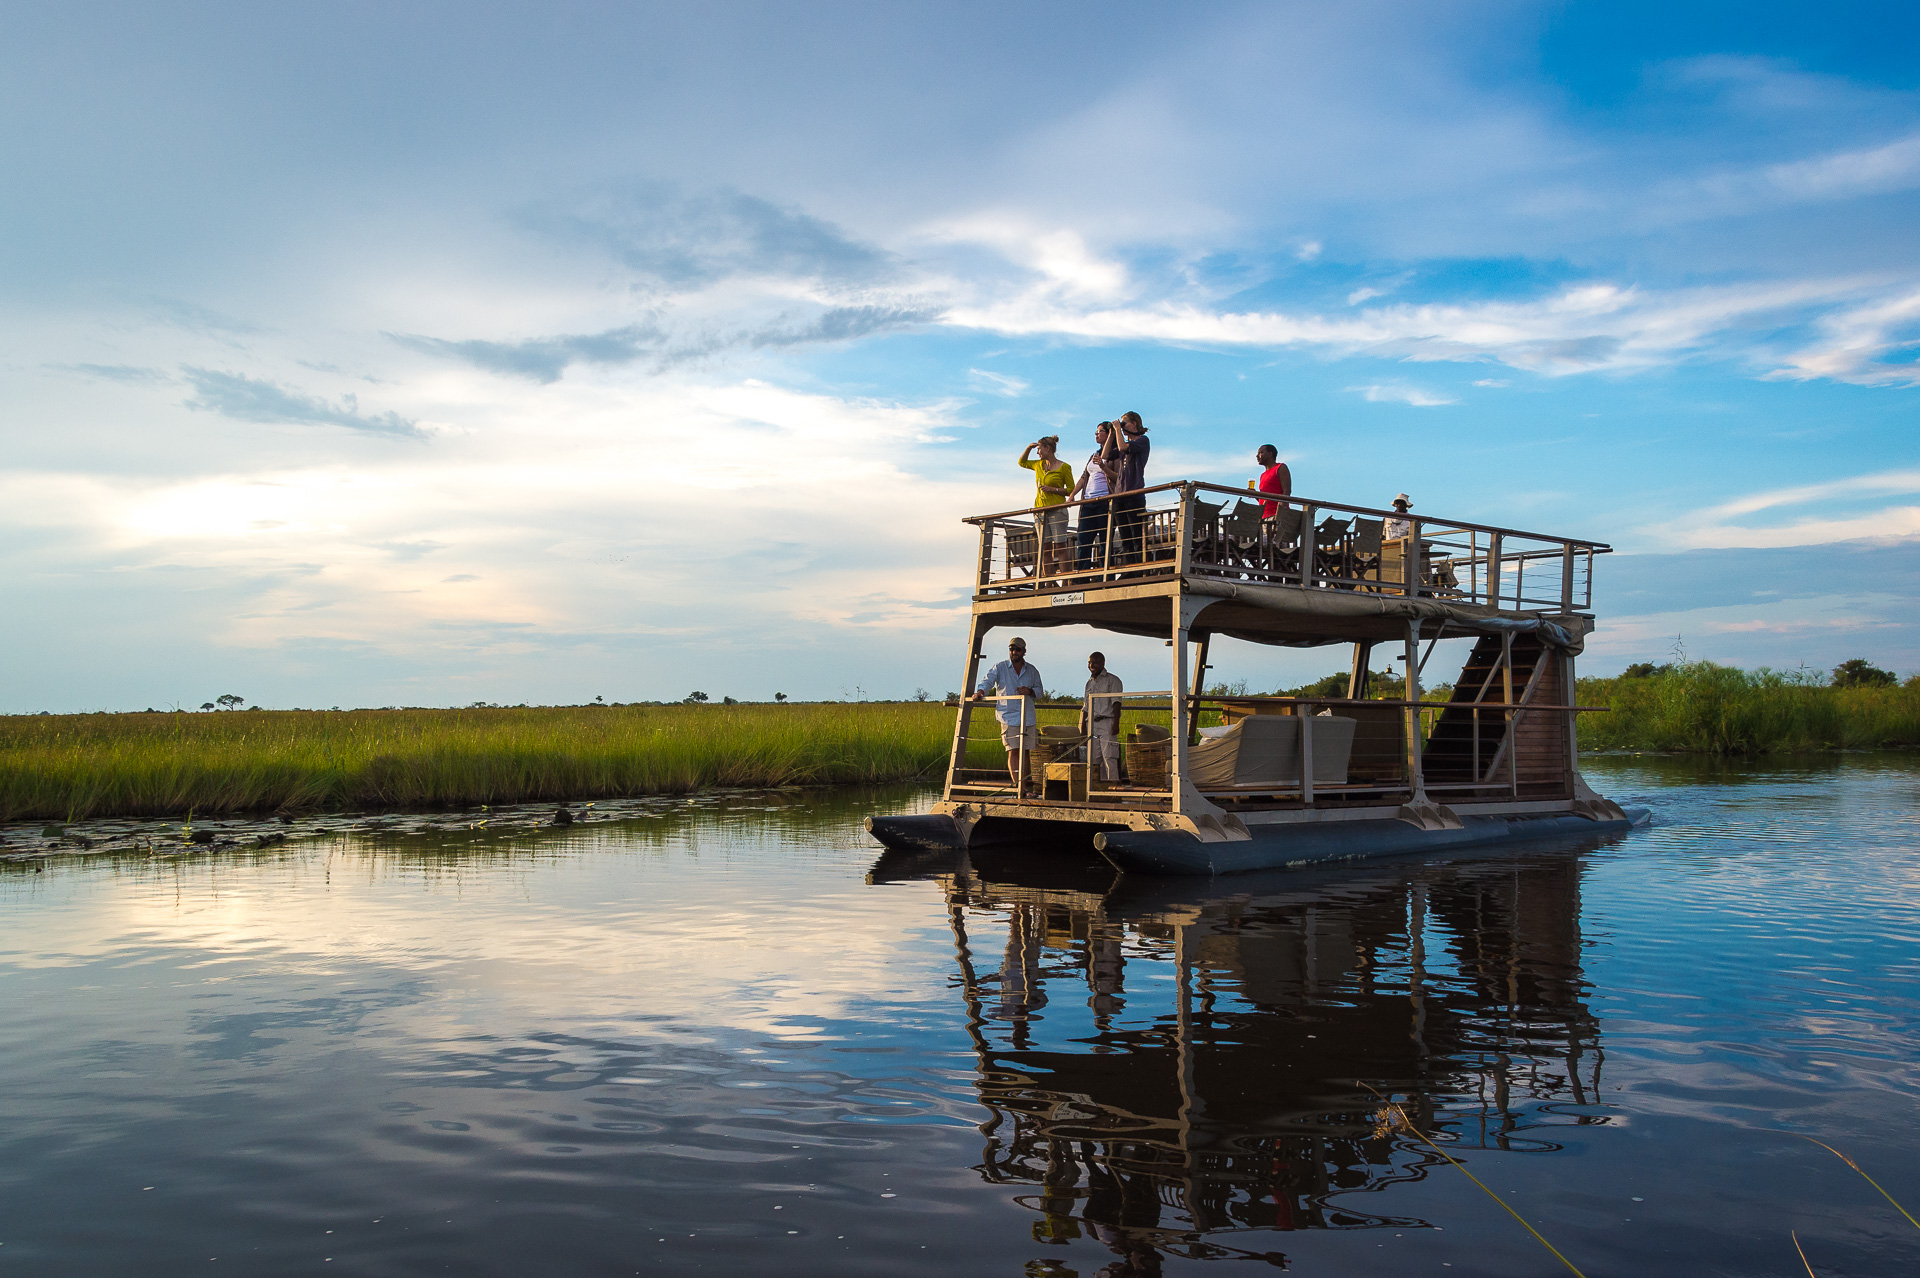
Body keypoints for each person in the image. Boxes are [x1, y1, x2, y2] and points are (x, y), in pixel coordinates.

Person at [972, 637, 1045, 795]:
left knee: (1026, 751)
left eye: (1017, 649)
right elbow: (987, 682)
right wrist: (980, 692)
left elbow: (1040, 691)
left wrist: (1030, 691)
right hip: (1008, 716)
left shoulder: (1032, 670)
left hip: (1027, 716)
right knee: (1013, 750)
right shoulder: (1000, 667)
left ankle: (1024, 787)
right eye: (1011, 649)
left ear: (1024, 651)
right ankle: (1019, 788)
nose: (1014, 652)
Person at [1018, 437, 1074, 583]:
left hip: (1057, 510)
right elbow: (1022, 462)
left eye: (1039, 449)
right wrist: (1028, 448)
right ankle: (1049, 582)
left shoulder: (1064, 467)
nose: (1038, 452)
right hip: (1040, 512)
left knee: (1060, 546)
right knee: (1045, 547)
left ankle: (1066, 581)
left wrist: (1053, 489)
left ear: (1047, 448)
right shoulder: (1038, 465)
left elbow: (1071, 490)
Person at [1072, 421, 1118, 571]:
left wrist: (1104, 466)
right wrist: (1072, 494)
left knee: (1105, 540)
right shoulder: (1094, 454)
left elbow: (1118, 477)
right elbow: (1084, 476)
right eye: (1095, 432)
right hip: (1088, 501)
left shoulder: (1116, 454)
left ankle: (1105, 575)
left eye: (1100, 431)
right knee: (1083, 540)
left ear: (1109, 434)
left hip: (1104, 501)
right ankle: (1083, 576)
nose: (1096, 434)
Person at [1109, 411, 1150, 564]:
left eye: (1124, 423)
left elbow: (1123, 448)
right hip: (1120, 494)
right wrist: (1112, 434)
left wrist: (1118, 429)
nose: (1122, 426)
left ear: (1134, 424)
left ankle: (1139, 567)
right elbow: (1106, 455)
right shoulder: (1123, 441)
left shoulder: (1143, 440)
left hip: (1134, 493)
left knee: (1136, 535)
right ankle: (1129, 567)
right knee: (1125, 536)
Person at [1081, 651, 1123, 783]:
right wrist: (1082, 727)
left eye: (1095, 662)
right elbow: (1085, 707)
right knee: (1094, 759)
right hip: (1092, 724)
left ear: (1103, 663)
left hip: (1107, 722)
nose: (1091, 665)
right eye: (1089, 662)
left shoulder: (1113, 680)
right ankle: (1099, 789)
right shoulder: (1089, 683)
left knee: (1109, 757)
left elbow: (1116, 703)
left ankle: (1113, 788)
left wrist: (1116, 723)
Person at [1253, 444, 1291, 517]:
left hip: (1276, 516)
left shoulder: (1280, 468)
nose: (1257, 456)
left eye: (1261, 452)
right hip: (1263, 517)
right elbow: (1265, 500)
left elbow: (1287, 491)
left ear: (1270, 454)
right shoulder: (1262, 475)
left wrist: (1280, 513)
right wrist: (1255, 494)